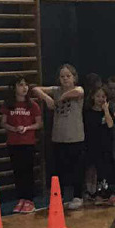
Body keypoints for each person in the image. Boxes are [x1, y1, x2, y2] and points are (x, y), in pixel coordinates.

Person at [32, 63, 85, 210]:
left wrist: (62, 97)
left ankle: (78, 196)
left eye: (68, 76)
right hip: (58, 137)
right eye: (62, 77)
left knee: (76, 169)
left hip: (75, 137)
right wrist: (47, 98)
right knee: (58, 169)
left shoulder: (78, 90)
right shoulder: (55, 90)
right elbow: (35, 89)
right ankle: (58, 196)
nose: (65, 79)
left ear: (74, 77)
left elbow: (77, 92)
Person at [0, 75, 43, 213]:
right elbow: (3, 123)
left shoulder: (32, 105)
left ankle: (29, 200)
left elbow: (39, 123)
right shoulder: (8, 105)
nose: (24, 88)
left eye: (26, 85)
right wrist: (13, 128)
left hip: (28, 143)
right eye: (21, 85)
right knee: (17, 171)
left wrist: (27, 128)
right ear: (14, 88)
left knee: (28, 171)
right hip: (13, 142)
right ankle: (21, 199)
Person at [84, 85, 115, 206]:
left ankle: (108, 194)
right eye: (98, 96)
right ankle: (96, 194)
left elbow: (110, 124)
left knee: (106, 170)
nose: (101, 99)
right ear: (93, 97)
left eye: (103, 96)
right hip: (92, 145)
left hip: (106, 146)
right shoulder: (87, 112)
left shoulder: (107, 111)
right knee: (94, 170)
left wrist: (106, 110)